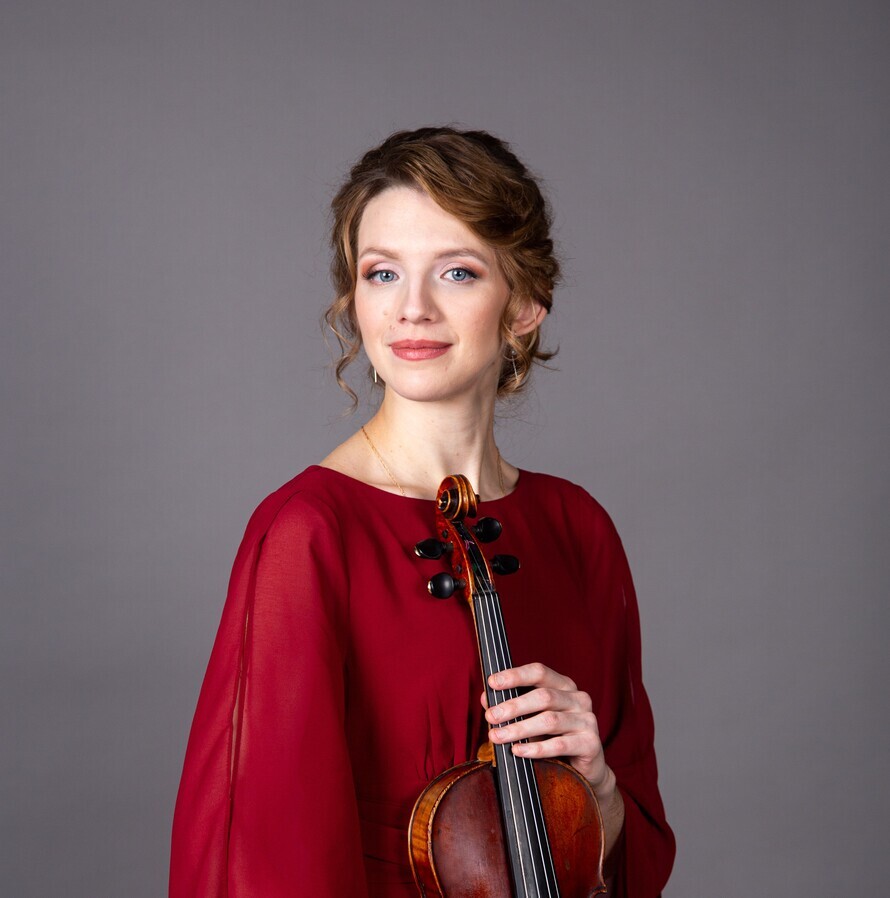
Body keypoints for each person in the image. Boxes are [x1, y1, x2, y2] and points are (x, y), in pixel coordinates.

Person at [170, 127, 675, 897]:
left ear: (524, 304)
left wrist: (597, 789)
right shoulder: (308, 532)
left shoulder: (578, 530)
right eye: (382, 274)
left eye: (457, 272)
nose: (412, 308)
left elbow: (630, 861)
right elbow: (265, 859)